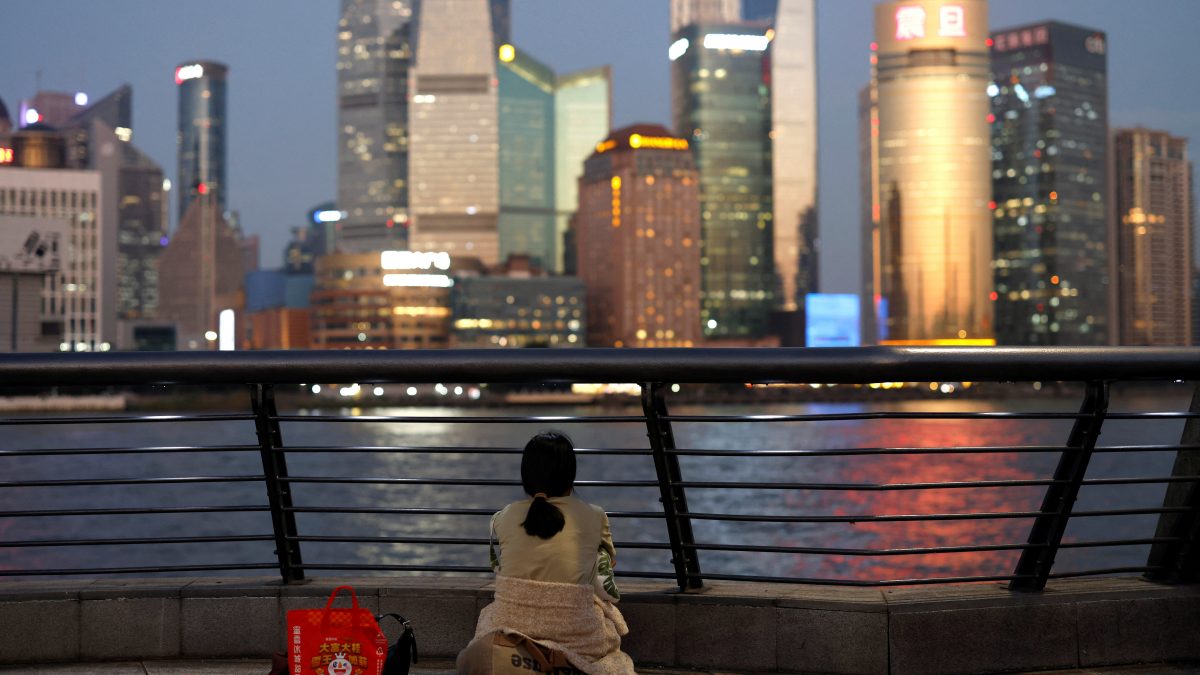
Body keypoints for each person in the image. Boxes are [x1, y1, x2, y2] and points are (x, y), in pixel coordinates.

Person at [457, 431, 634, 675]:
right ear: (570, 475)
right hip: (578, 637)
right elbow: (606, 573)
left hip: (509, 626)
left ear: (526, 476)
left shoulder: (503, 517)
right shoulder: (594, 516)